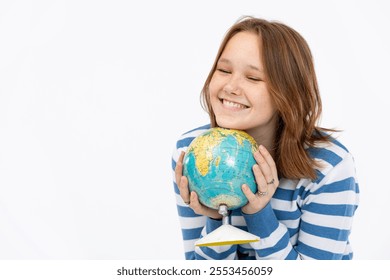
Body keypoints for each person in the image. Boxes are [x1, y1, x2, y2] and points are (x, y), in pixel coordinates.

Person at [172, 16, 359, 260]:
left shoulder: (329, 166)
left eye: (253, 78)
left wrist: (259, 215)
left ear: (288, 92)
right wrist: (215, 219)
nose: (231, 86)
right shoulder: (193, 153)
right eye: (224, 70)